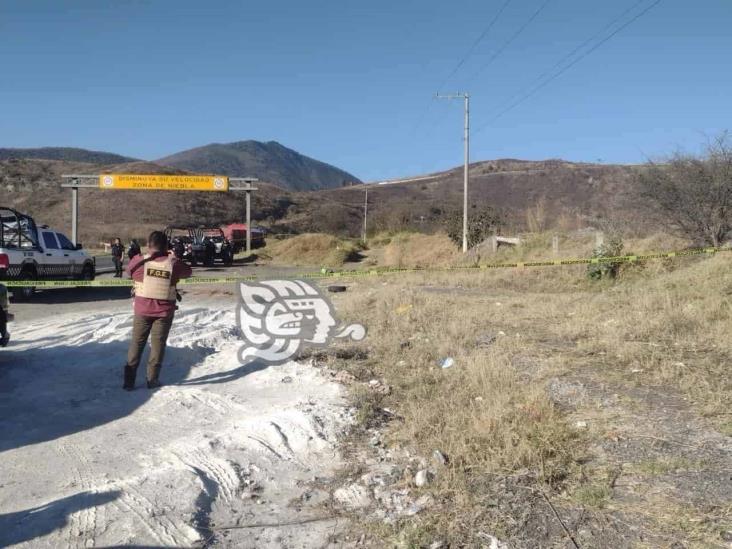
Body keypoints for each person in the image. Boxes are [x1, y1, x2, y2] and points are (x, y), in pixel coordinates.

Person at [123, 231, 192, 390]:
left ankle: (128, 382)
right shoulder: (173, 264)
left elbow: (128, 272)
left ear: (148, 245)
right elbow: (188, 272)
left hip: (142, 310)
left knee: (136, 344)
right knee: (158, 346)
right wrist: (175, 257)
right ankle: (152, 380)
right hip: (164, 312)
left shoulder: (138, 261)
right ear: (167, 246)